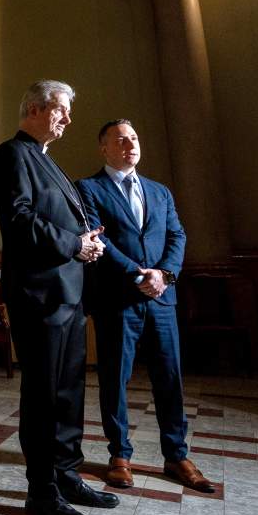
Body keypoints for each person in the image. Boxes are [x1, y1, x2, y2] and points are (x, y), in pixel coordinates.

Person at [0, 80, 119, 515]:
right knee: (43, 396)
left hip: (68, 294)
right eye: (61, 110)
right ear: (35, 109)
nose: (67, 119)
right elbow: (19, 219)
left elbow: (65, 220)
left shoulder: (48, 162)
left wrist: (89, 243)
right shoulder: (12, 154)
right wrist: (73, 244)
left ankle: (66, 476)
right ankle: (41, 491)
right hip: (38, 296)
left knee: (68, 394)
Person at [75, 119, 216, 494]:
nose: (129, 144)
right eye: (120, 140)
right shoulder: (88, 188)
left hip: (162, 299)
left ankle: (176, 454)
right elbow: (98, 241)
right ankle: (119, 455)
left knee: (169, 377)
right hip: (118, 300)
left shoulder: (159, 191)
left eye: (134, 138)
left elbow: (177, 234)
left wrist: (165, 275)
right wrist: (139, 275)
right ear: (103, 148)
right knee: (115, 378)